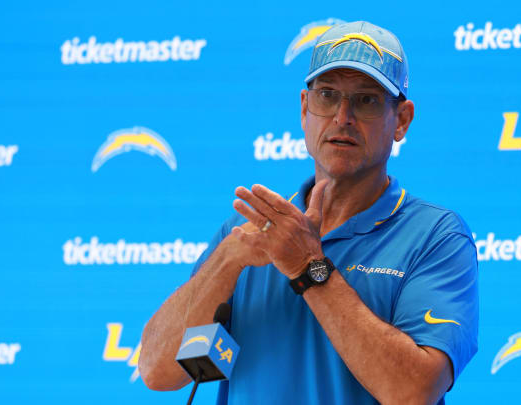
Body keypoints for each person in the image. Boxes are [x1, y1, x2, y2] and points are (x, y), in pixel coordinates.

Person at [139, 21, 479, 405]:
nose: (342, 117)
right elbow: (156, 370)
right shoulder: (248, 228)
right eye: (327, 95)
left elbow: (414, 392)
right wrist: (227, 260)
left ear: (401, 120)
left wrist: (309, 266)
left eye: (366, 100)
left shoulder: (436, 236)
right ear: (305, 108)